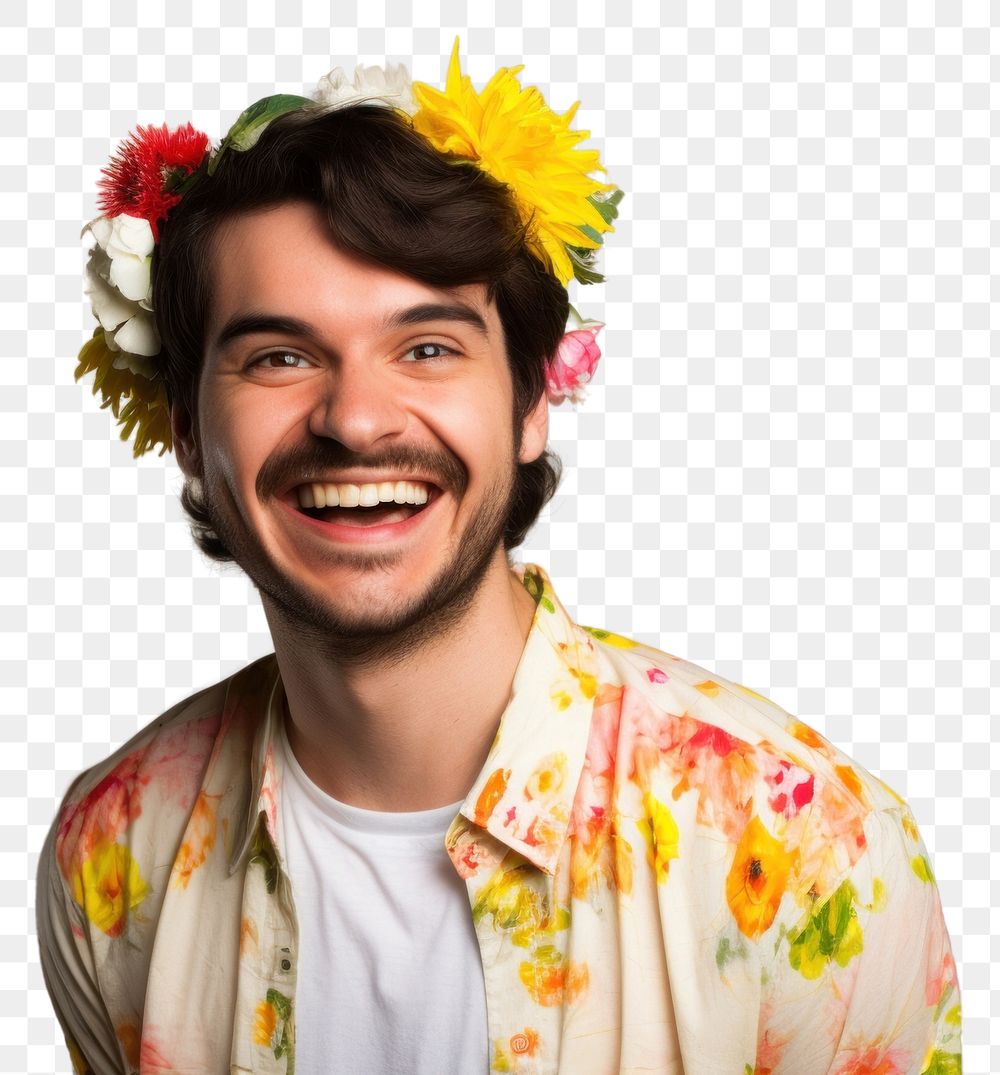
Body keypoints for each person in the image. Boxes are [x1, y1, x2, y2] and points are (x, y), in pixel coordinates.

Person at [37, 41, 961, 1075]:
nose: (354, 418)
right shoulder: (109, 852)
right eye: (280, 356)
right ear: (186, 430)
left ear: (530, 401)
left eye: (426, 346)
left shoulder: (804, 847)